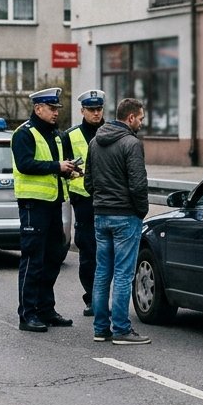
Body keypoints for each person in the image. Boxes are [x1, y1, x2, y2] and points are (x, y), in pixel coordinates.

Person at [11, 87, 81, 332]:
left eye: (57, 109)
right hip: (33, 204)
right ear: (37, 108)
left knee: (54, 257)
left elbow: (61, 165)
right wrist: (57, 166)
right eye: (51, 109)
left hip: (54, 203)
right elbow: (25, 163)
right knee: (33, 259)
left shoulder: (57, 135)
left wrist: (71, 169)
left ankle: (46, 309)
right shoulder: (24, 134)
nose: (55, 113)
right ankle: (27, 314)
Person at [85, 97, 150, 345]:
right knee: (124, 274)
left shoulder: (95, 141)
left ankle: (101, 328)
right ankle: (121, 329)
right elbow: (138, 184)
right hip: (125, 216)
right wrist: (141, 211)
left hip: (101, 215)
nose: (142, 123)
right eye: (141, 118)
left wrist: (101, 201)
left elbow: (88, 182)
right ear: (130, 117)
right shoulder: (131, 144)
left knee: (102, 273)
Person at [64, 90, 106, 317]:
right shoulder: (70, 136)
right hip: (84, 203)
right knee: (89, 252)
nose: (96, 113)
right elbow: (64, 168)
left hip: (110, 200)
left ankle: (107, 298)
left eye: (99, 109)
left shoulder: (115, 133)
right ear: (82, 111)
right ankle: (91, 298)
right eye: (91, 110)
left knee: (109, 252)